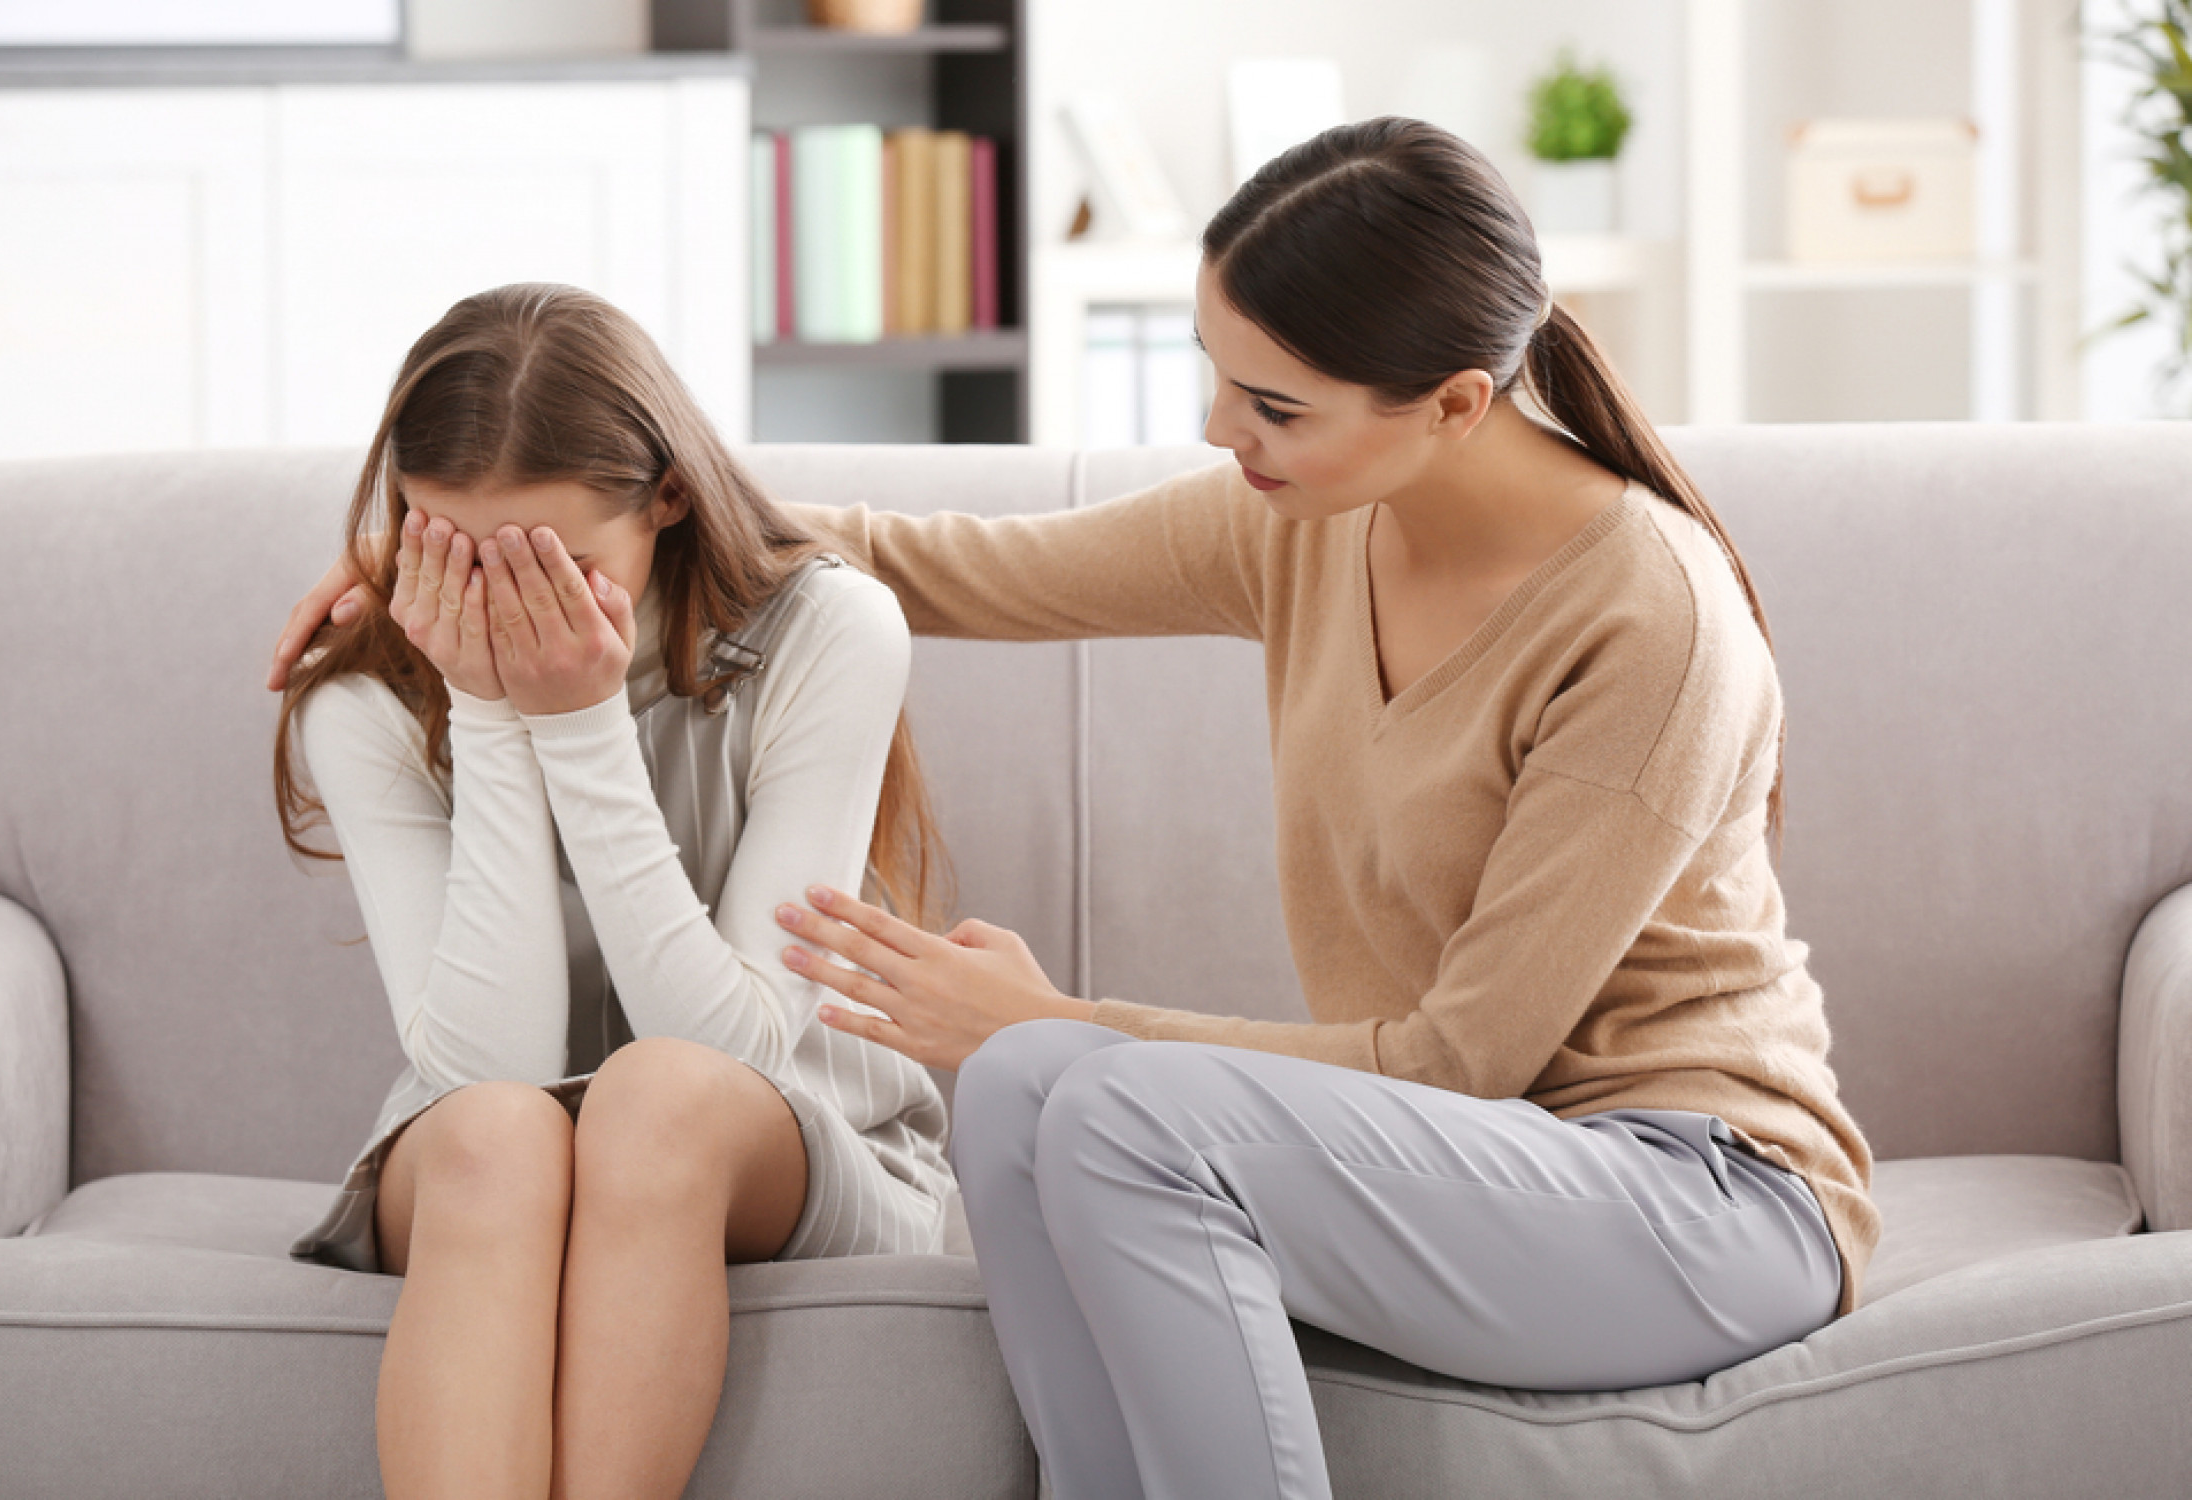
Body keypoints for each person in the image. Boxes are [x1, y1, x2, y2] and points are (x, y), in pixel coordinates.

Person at [271, 120, 1880, 1499]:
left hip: (1697, 1192)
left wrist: (1054, 1011)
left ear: (1457, 405)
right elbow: (936, 563)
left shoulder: (1648, 619)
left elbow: (1466, 1063)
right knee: (1032, 1093)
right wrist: (490, 558)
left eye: (1272, 405)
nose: (1218, 433)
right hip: (1472, 1165)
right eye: (1216, 376)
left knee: (1088, 1086)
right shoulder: (1312, 519)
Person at [271, 283, 955, 1500]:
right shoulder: (369, 697)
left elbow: (734, 1046)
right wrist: (485, 709)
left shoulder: (827, 631)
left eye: (557, 564)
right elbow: (489, 1066)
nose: (501, 607)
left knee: (655, 1098)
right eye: (455, 555)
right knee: (494, 1131)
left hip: (783, 1127)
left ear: (670, 498)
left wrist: (577, 728)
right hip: (492, 1143)